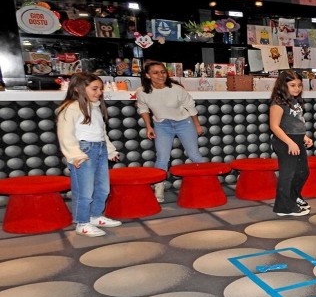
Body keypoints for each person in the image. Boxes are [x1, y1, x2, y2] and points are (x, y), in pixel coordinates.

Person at [56, 73, 122, 237]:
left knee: (103, 188)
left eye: (100, 89)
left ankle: (95, 216)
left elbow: (101, 133)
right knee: (84, 191)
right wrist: (75, 155)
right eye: (95, 89)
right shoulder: (70, 108)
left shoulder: (95, 107)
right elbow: (65, 135)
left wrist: (110, 150)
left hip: (99, 149)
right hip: (83, 151)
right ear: (78, 89)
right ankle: (82, 223)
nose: (99, 92)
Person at [136, 60, 205, 203]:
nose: (160, 75)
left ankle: (207, 181)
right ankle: (159, 188)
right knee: (162, 157)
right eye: (155, 73)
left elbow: (190, 107)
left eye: (163, 72)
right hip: (162, 125)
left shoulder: (176, 89)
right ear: (148, 75)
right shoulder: (142, 92)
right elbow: (143, 109)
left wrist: (197, 125)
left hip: (184, 122)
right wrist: (149, 126)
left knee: (194, 154)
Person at [269, 70, 313, 216]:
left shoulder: (295, 101)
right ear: (283, 85)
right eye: (292, 85)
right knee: (288, 174)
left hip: (297, 140)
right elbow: (274, 126)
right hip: (285, 142)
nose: (297, 88)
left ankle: (293, 198)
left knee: (302, 171)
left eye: (299, 85)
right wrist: (290, 142)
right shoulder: (278, 103)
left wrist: (304, 137)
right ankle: (283, 207)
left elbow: (296, 122)